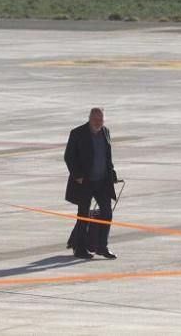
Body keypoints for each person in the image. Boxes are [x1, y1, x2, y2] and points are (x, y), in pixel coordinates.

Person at [65, 107, 119, 260]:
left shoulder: (105, 132)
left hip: (102, 181)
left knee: (107, 213)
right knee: (83, 215)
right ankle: (80, 248)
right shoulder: (77, 133)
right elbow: (69, 157)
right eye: (96, 120)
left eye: (101, 120)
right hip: (85, 182)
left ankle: (102, 247)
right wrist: (78, 176)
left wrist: (112, 173)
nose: (99, 123)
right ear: (89, 118)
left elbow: (107, 156)